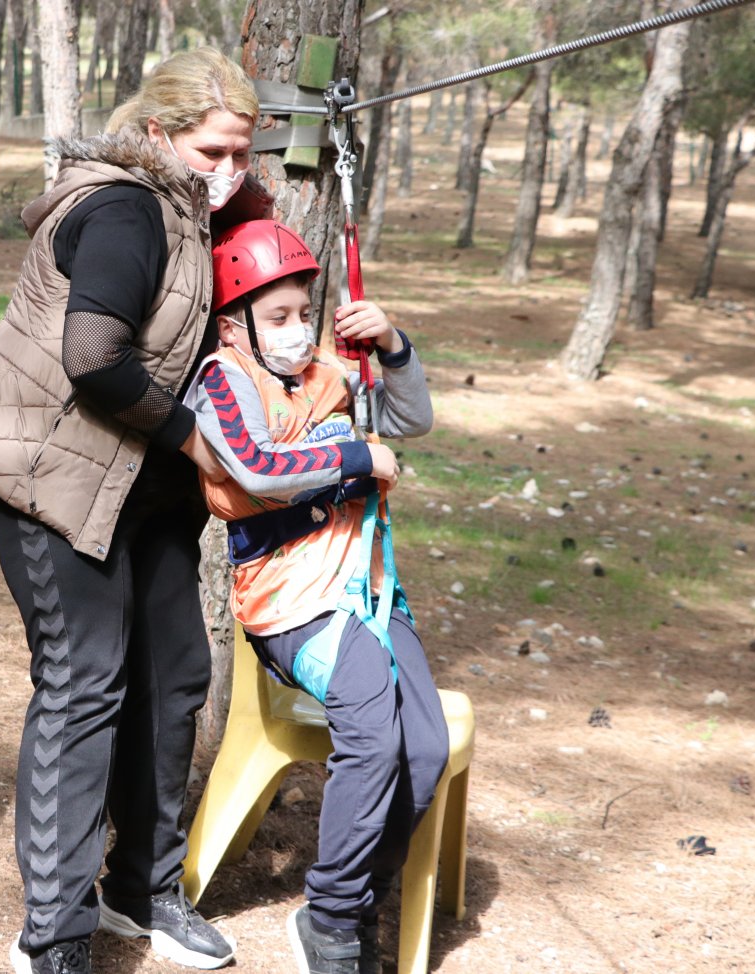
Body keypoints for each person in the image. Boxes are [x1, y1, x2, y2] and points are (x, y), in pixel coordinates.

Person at [0, 47, 268, 974]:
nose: (230, 170)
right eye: (212, 152)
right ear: (157, 134)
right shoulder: (126, 210)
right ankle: (53, 933)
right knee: (85, 679)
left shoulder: (194, 208)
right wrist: (199, 442)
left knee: (175, 675)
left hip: (143, 483)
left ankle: (143, 889)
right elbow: (94, 358)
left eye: (243, 152)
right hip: (46, 473)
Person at [184, 220, 449, 974]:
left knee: (424, 748)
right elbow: (257, 467)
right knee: (374, 738)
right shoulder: (222, 380)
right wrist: (358, 455)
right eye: (278, 317)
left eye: (305, 312)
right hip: (293, 603)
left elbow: (413, 419)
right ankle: (330, 919)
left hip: (368, 589)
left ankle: (359, 903)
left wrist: (390, 344)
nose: (298, 329)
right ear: (233, 324)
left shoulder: (331, 375)